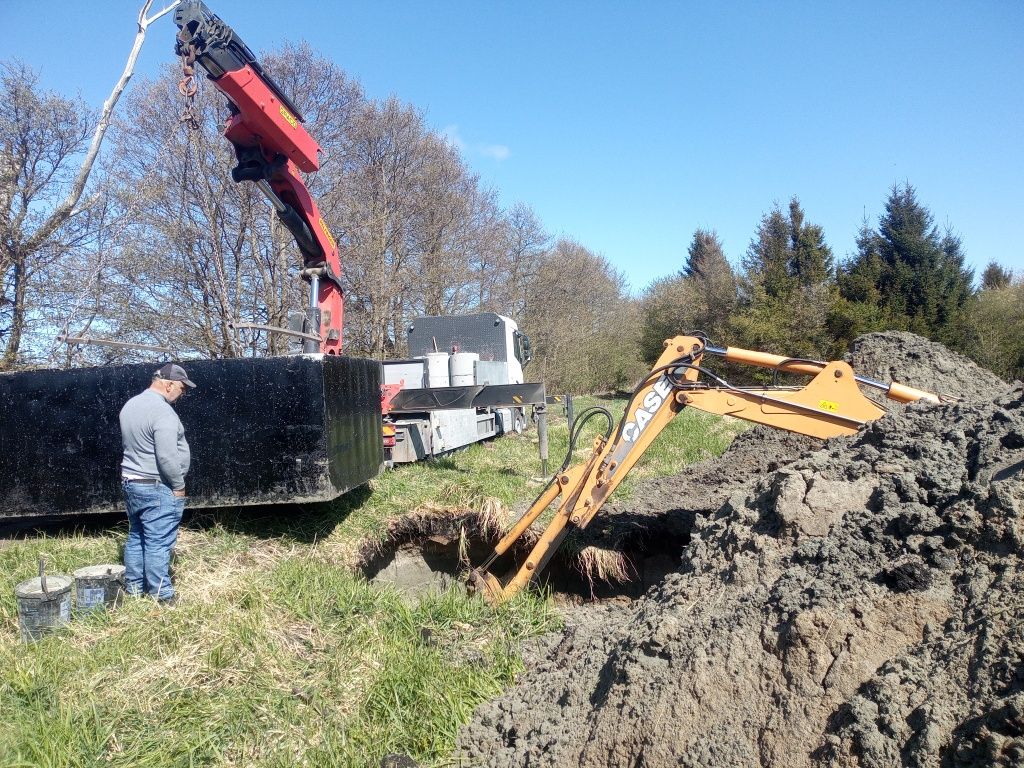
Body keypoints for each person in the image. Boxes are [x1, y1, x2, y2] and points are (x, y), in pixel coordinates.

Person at [119, 362, 196, 605]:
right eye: (182, 389)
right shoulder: (163, 411)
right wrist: (178, 485)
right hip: (156, 485)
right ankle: (161, 596)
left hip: (132, 482)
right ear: (168, 383)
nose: (182, 394)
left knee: (137, 536)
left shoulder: (131, 405)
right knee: (158, 542)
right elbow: (166, 455)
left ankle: (133, 589)